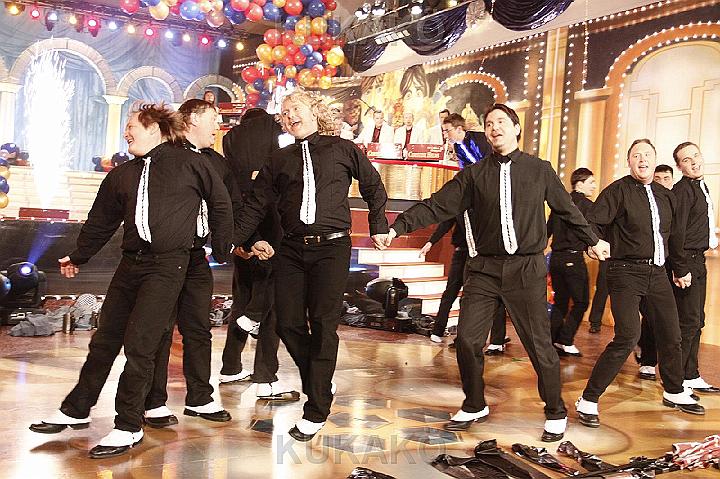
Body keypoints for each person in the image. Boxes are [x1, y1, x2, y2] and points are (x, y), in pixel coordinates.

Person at [379, 103, 609, 442]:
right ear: (485, 133)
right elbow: (437, 205)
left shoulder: (539, 169)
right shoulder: (473, 175)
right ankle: (474, 404)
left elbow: (567, 210)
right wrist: (397, 227)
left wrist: (594, 240)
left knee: (538, 345)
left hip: (526, 269)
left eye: (501, 121)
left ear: (516, 128)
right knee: (467, 340)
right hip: (484, 269)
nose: (494, 127)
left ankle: (555, 411)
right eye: (489, 123)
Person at [29, 103, 233, 458]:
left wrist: (221, 247)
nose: (126, 132)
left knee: (141, 345)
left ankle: (128, 425)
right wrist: (78, 256)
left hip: (169, 266)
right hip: (130, 264)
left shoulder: (191, 163)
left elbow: (220, 204)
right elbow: (101, 221)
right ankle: (77, 408)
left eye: (131, 125)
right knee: (105, 339)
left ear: (154, 128)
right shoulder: (122, 174)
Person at [233, 89, 389, 441]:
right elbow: (256, 204)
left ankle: (316, 409)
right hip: (290, 249)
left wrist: (379, 225)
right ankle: (320, 381)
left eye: (296, 108)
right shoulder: (278, 159)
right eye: (284, 112)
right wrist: (235, 240)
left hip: (332, 248)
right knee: (287, 323)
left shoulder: (343, 149)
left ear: (315, 111)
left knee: (322, 324)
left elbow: (373, 186)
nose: (290, 116)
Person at [576, 139, 704, 429]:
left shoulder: (665, 195)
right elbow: (592, 223)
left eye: (647, 155)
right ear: (629, 161)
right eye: (636, 155)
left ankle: (674, 390)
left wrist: (680, 269)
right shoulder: (617, 191)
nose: (642, 159)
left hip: (657, 273)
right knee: (627, 336)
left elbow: (675, 237)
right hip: (624, 273)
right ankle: (588, 399)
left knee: (671, 334)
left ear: (655, 160)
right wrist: (592, 244)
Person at [143, 99, 239, 428]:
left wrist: (231, 244)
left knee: (198, 329)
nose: (217, 126)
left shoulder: (217, 163)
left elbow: (230, 204)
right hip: (165, 256)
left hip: (198, 256)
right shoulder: (165, 156)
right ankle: (153, 401)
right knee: (159, 329)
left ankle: (200, 397)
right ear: (193, 119)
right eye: (214, 119)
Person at [219, 107, 299, 401]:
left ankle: (230, 366)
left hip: (242, 237)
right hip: (270, 237)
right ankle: (265, 378)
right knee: (271, 306)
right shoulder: (272, 159)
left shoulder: (230, 153)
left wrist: (241, 239)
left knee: (242, 301)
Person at [669, 142, 719, 394]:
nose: (694, 162)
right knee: (687, 322)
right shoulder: (682, 190)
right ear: (680, 166)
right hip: (686, 261)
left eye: (696, 156)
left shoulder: (701, 186)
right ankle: (677, 381)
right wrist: (679, 268)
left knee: (697, 320)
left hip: (698, 259)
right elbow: (676, 233)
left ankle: (691, 374)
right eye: (687, 160)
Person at [548, 168, 597, 357]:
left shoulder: (560, 203)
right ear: (580, 183)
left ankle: (552, 341)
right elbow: (591, 233)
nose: (594, 186)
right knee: (581, 302)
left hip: (556, 259)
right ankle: (565, 340)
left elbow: (547, 230)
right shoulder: (587, 206)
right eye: (591, 182)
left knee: (560, 302)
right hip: (573, 259)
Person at [636, 164, 675, 380]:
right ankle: (648, 361)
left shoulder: (675, 201)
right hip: (650, 267)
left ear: (672, 180)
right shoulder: (645, 201)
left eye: (666, 178)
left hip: (674, 265)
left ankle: (677, 376)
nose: (661, 182)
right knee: (651, 316)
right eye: (657, 178)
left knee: (674, 320)